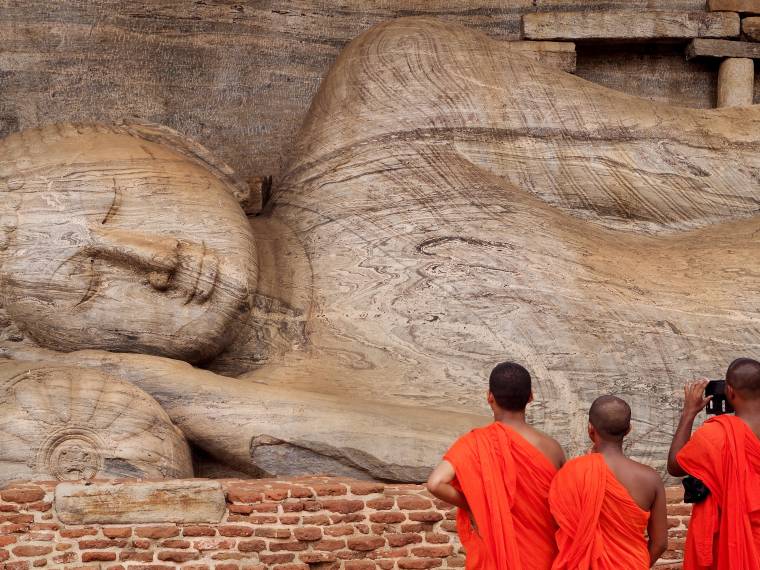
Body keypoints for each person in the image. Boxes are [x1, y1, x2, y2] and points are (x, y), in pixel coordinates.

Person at [426, 362, 565, 569]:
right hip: (543, 555)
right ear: (530, 397)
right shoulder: (553, 448)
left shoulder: (474, 443)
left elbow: (436, 483)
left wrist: (475, 504)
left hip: (497, 555)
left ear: (489, 396)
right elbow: (564, 506)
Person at [550, 395, 668, 569]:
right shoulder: (651, 479)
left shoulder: (571, 472)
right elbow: (660, 543)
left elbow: (560, 526)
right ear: (628, 429)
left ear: (590, 429)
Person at [667, 358, 760, 569]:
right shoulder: (720, 434)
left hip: (732, 543)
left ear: (730, 391)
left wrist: (689, 412)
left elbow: (675, 465)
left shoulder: (716, 434)